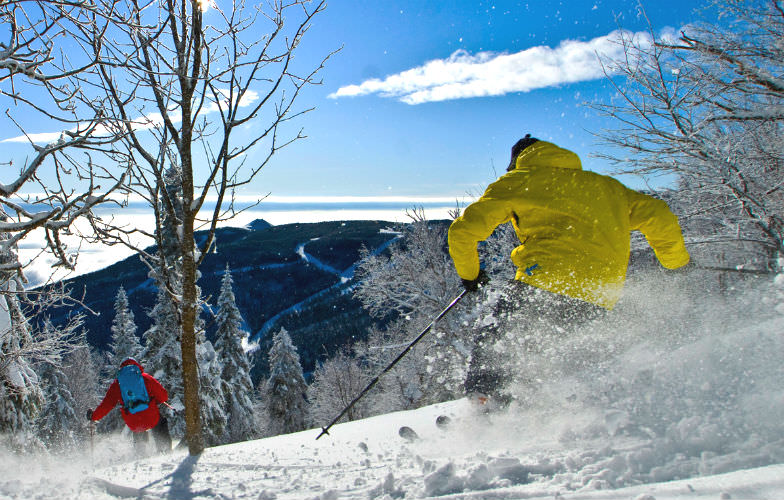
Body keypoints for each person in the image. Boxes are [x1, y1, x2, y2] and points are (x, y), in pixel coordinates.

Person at [448, 135, 690, 406]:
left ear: (516, 161)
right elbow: (657, 213)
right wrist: (676, 264)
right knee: (557, 350)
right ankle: (548, 408)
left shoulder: (518, 181)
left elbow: (462, 232)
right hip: (602, 292)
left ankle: (486, 406)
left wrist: (471, 276)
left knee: (497, 340)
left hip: (546, 282)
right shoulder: (607, 188)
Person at [88, 357, 172, 454]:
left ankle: (141, 453)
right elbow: (164, 396)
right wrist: (155, 400)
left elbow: (106, 405)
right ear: (136, 365)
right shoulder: (145, 378)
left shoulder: (117, 385)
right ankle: (165, 450)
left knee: (138, 426)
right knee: (160, 423)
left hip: (133, 421)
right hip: (151, 416)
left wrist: (94, 416)